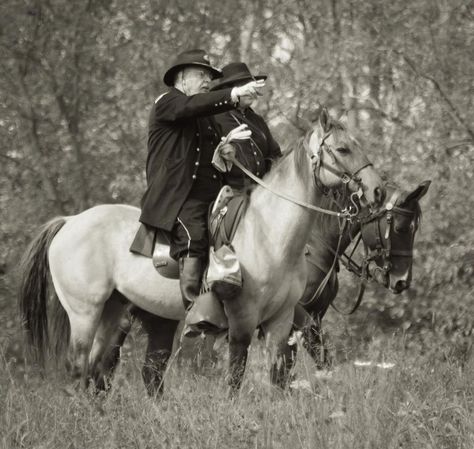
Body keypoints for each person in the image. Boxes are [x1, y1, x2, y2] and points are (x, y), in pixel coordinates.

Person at [138, 49, 265, 313]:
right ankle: (195, 312)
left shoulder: (204, 116)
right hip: (180, 198)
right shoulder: (168, 101)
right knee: (194, 236)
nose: (207, 80)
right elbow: (190, 107)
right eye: (201, 75)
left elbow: (207, 157)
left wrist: (225, 152)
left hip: (214, 196)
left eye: (209, 76)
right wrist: (233, 95)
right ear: (182, 79)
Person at [210, 62, 282, 191]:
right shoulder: (215, 118)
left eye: (251, 85)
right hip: (231, 192)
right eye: (243, 85)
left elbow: (275, 154)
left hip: (263, 190)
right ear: (230, 91)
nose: (250, 90)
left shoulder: (257, 120)